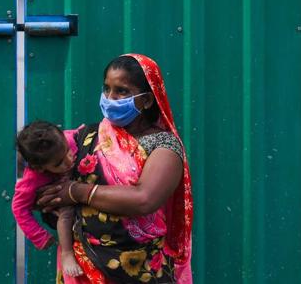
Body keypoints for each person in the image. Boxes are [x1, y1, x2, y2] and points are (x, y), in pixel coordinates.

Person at [37, 54, 193, 284]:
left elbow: (144, 199)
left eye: (122, 91)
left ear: (147, 100)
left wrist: (76, 192)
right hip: (83, 269)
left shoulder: (164, 146)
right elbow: (48, 177)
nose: (110, 98)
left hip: (140, 270)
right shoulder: (87, 136)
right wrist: (46, 198)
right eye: (107, 89)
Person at [12, 121, 84, 278]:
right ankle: (67, 253)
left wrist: (82, 131)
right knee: (66, 213)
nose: (68, 161)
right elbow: (19, 208)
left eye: (67, 151)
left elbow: (76, 133)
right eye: (59, 163)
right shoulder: (32, 178)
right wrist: (39, 236)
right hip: (66, 206)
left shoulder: (68, 140)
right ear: (40, 168)